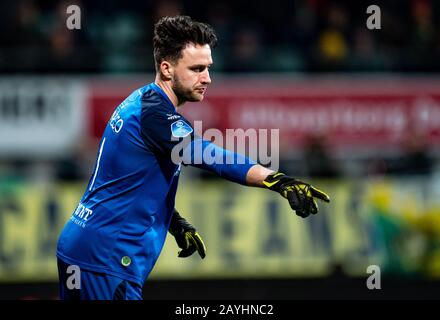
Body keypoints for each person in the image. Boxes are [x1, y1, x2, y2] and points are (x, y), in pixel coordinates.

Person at [56, 15, 330, 300]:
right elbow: (210, 155)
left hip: (84, 247)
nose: (207, 78)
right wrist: (276, 180)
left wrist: (171, 220)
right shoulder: (157, 117)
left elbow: (126, 181)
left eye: (208, 68)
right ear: (166, 68)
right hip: (107, 259)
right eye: (197, 69)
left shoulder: (141, 101)